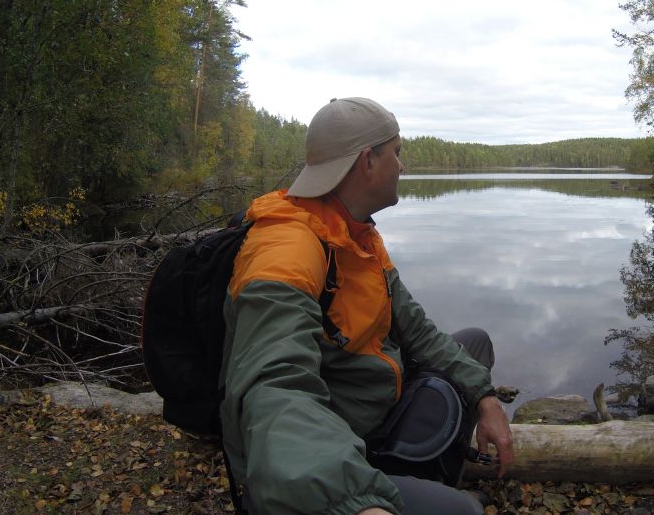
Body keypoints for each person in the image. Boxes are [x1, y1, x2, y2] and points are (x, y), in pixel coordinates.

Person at [219, 97, 514, 514]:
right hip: (333, 444)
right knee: (464, 513)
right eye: (397, 152)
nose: (402, 166)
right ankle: (396, 487)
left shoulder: (357, 235)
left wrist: (485, 397)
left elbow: (417, 330)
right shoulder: (286, 250)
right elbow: (275, 389)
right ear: (367, 161)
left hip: (378, 404)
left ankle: (427, 480)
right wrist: (357, 503)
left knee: (474, 344)